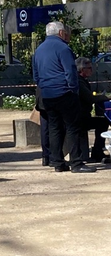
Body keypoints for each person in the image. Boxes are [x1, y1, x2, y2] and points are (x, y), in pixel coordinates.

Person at [32, 21, 95, 173]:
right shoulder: (63, 48)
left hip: (47, 95)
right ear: (61, 33)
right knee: (73, 127)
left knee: (54, 128)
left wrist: (45, 87)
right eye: (65, 32)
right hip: (64, 93)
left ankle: (57, 162)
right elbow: (70, 71)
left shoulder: (38, 50)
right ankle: (76, 163)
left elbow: (36, 75)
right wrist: (73, 90)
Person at [75, 57, 110, 163]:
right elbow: (90, 98)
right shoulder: (79, 82)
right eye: (89, 68)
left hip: (82, 116)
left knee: (102, 122)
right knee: (103, 122)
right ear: (82, 70)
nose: (92, 70)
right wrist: (106, 97)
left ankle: (98, 151)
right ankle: (97, 152)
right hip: (79, 118)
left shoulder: (82, 80)